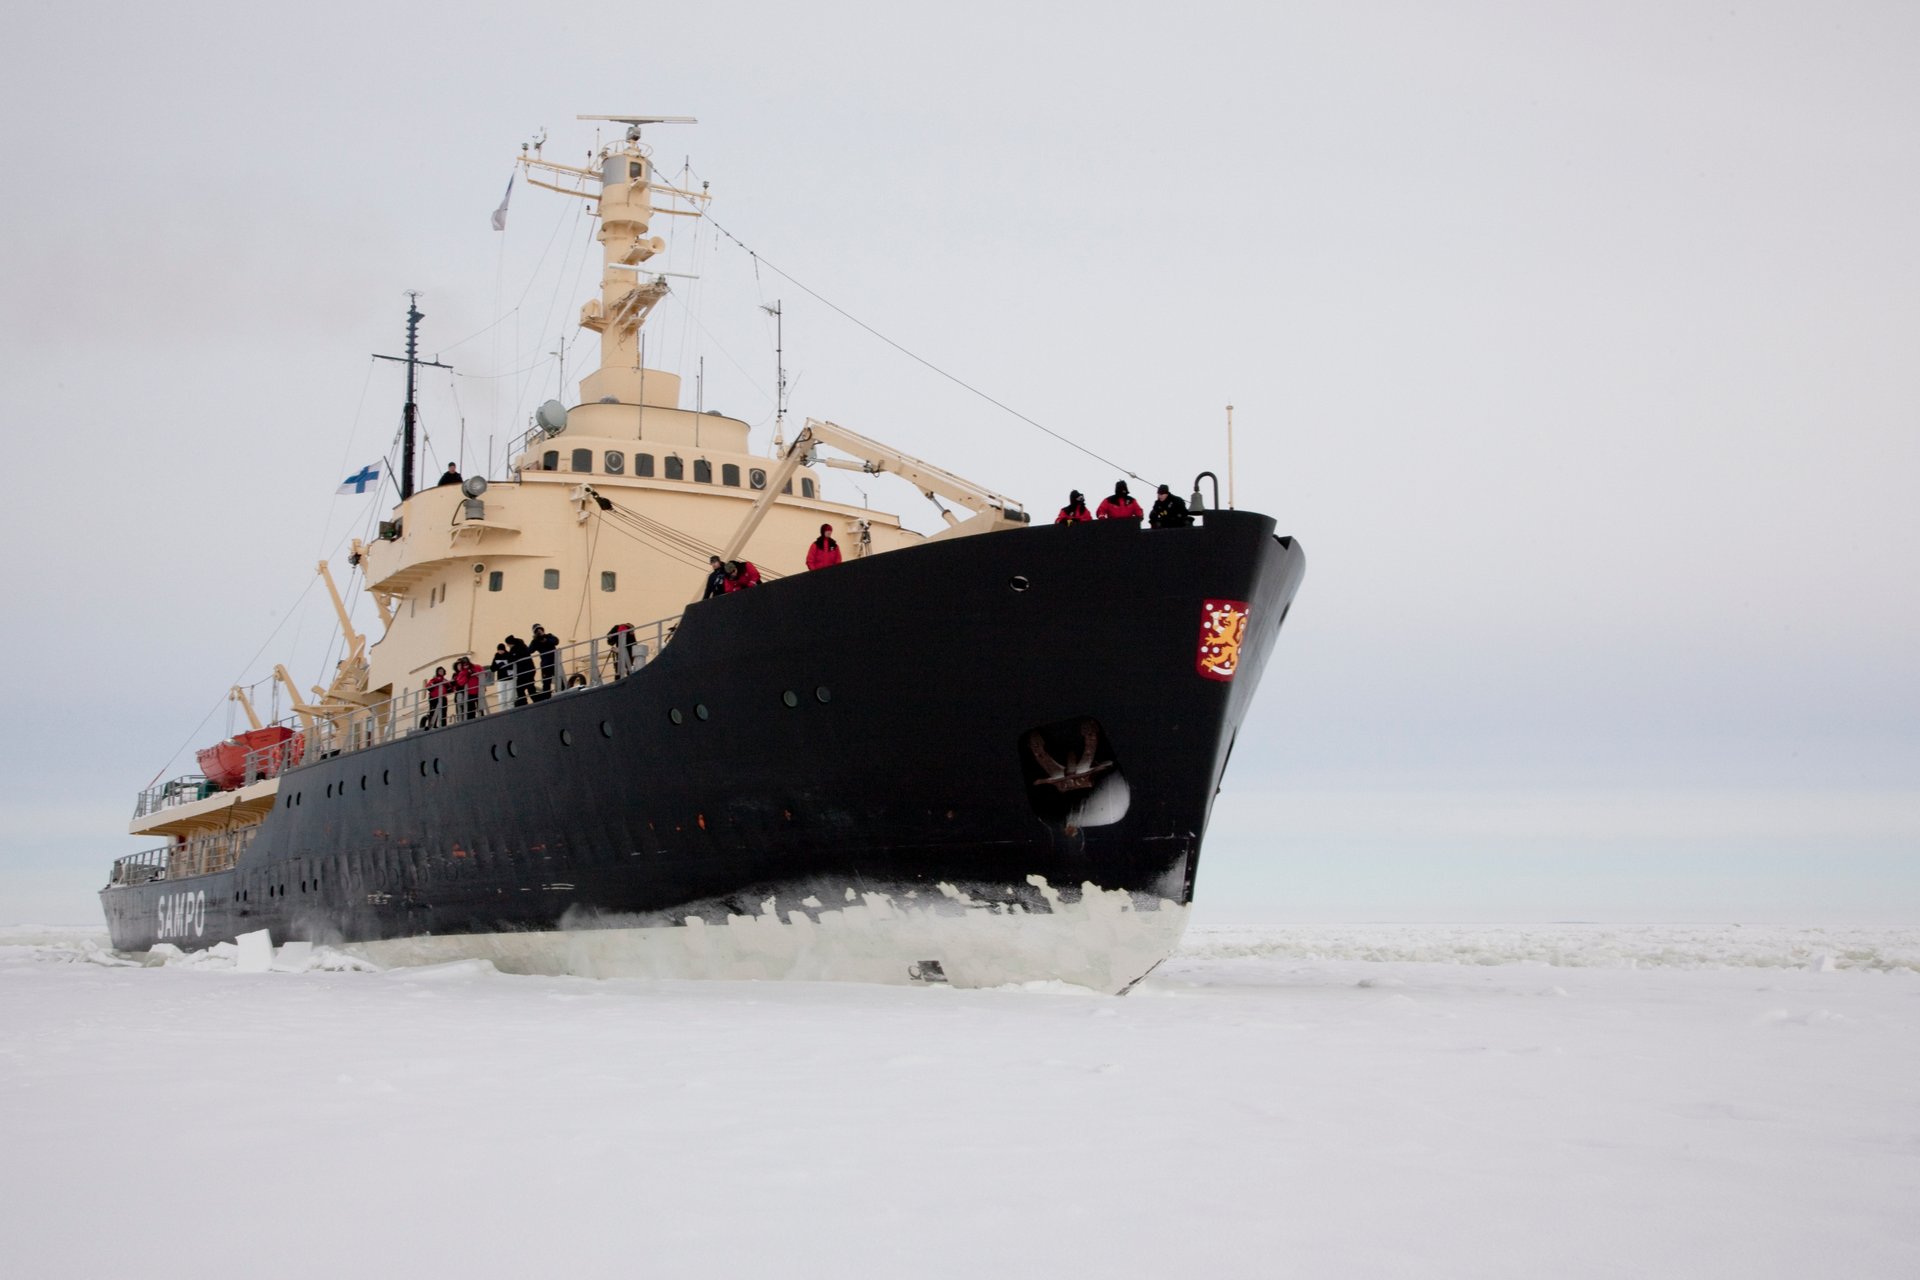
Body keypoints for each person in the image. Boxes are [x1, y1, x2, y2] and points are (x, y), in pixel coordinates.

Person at [529, 624, 560, 700]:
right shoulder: (535, 641)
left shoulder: (549, 636)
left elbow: (556, 641)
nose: (539, 632)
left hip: (555, 662)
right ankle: (547, 699)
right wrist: (535, 640)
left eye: (540, 630)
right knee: (546, 683)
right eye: (537, 631)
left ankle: (563, 693)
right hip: (545, 665)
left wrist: (546, 640)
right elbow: (529, 650)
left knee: (560, 679)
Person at [504, 634, 535, 707]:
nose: (508, 646)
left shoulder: (517, 648)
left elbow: (511, 659)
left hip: (525, 671)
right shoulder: (521, 645)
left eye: (508, 645)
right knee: (528, 688)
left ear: (510, 643)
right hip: (527, 670)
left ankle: (524, 702)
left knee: (522, 688)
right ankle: (532, 701)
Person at [488, 643, 514, 713]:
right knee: (502, 698)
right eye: (499, 650)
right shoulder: (496, 656)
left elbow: (512, 666)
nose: (500, 652)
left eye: (501, 650)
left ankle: (511, 712)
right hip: (501, 680)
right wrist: (499, 665)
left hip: (509, 678)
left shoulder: (509, 655)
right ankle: (502, 712)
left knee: (510, 698)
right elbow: (492, 668)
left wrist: (505, 665)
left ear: (504, 650)